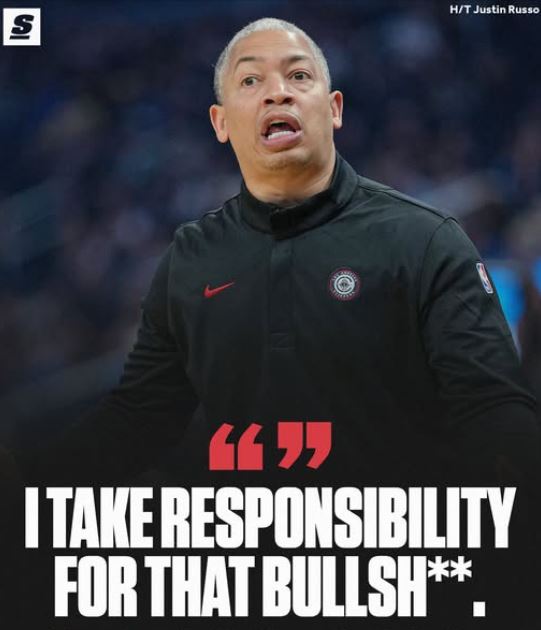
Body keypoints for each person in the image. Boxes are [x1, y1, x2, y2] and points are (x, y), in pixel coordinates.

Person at [18, 17, 540, 629]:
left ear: (334, 109)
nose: (277, 92)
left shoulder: (425, 240)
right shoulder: (192, 257)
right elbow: (139, 418)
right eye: (251, 81)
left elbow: (493, 407)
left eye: (298, 76)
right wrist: (30, 478)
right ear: (220, 123)